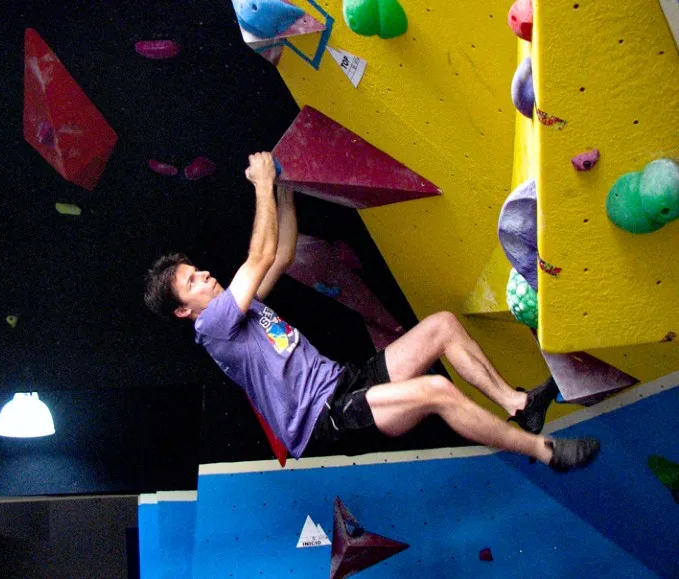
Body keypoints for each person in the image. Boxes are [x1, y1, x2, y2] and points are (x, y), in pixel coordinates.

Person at [144, 152, 600, 472]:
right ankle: (543, 451)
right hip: (327, 417)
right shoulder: (213, 327)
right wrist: (262, 183)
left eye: (198, 270)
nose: (204, 275)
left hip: (346, 381)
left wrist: (285, 190)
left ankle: (518, 405)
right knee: (437, 390)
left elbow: (280, 256)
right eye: (192, 281)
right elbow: (260, 256)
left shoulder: (237, 312)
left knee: (441, 325)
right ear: (185, 312)